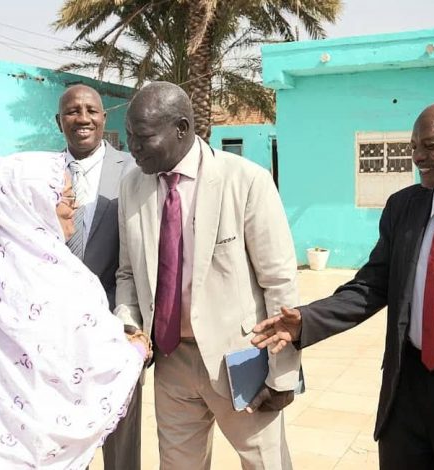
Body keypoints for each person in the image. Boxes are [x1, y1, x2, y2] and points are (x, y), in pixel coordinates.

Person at [252, 100, 434, 470]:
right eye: (413, 147)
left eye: (429, 146)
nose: (417, 157)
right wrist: (306, 320)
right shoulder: (403, 207)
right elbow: (372, 285)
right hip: (408, 393)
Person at [0, 152, 146, 469]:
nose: (73, 207)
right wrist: (135, 350)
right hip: (31, 452)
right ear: (34, 202)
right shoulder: (61, 276)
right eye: (66, 197)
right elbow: (95, 360)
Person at [115, 81, 301, 470]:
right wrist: (130, 326)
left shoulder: (245, 180)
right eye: (129, 135)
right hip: (171, 362)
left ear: (181, 129)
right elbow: (128, 272)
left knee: (266, 464)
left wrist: (283, 374)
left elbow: (279, 282)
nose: (132, 147)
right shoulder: (132, 185)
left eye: (143, 137)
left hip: (242, 359)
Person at [55, 83, 141, 470]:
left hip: (117, 320)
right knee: (64, 429)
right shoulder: (44, 174)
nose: (83, 118)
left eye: (91, 110)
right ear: (59, 121)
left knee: (121, 431)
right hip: (57, 327)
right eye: (73, 111)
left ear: (104, 118)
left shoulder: (135, 170)